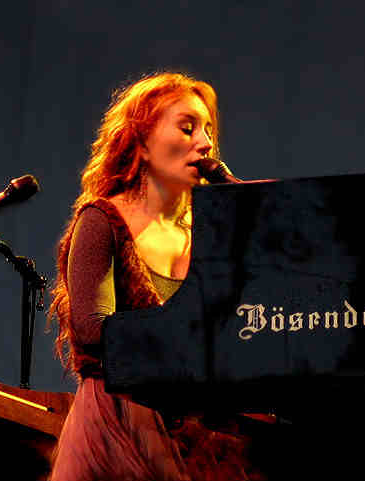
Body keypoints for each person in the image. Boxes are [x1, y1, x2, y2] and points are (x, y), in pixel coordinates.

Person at [47, 72, 262, 481]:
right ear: (141, 142)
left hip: (197, 432)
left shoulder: (207, 236)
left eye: (208, 131)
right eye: (187, 127)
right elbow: (92, 331)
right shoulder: (101, 220)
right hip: (119, 421)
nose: (205, 142)